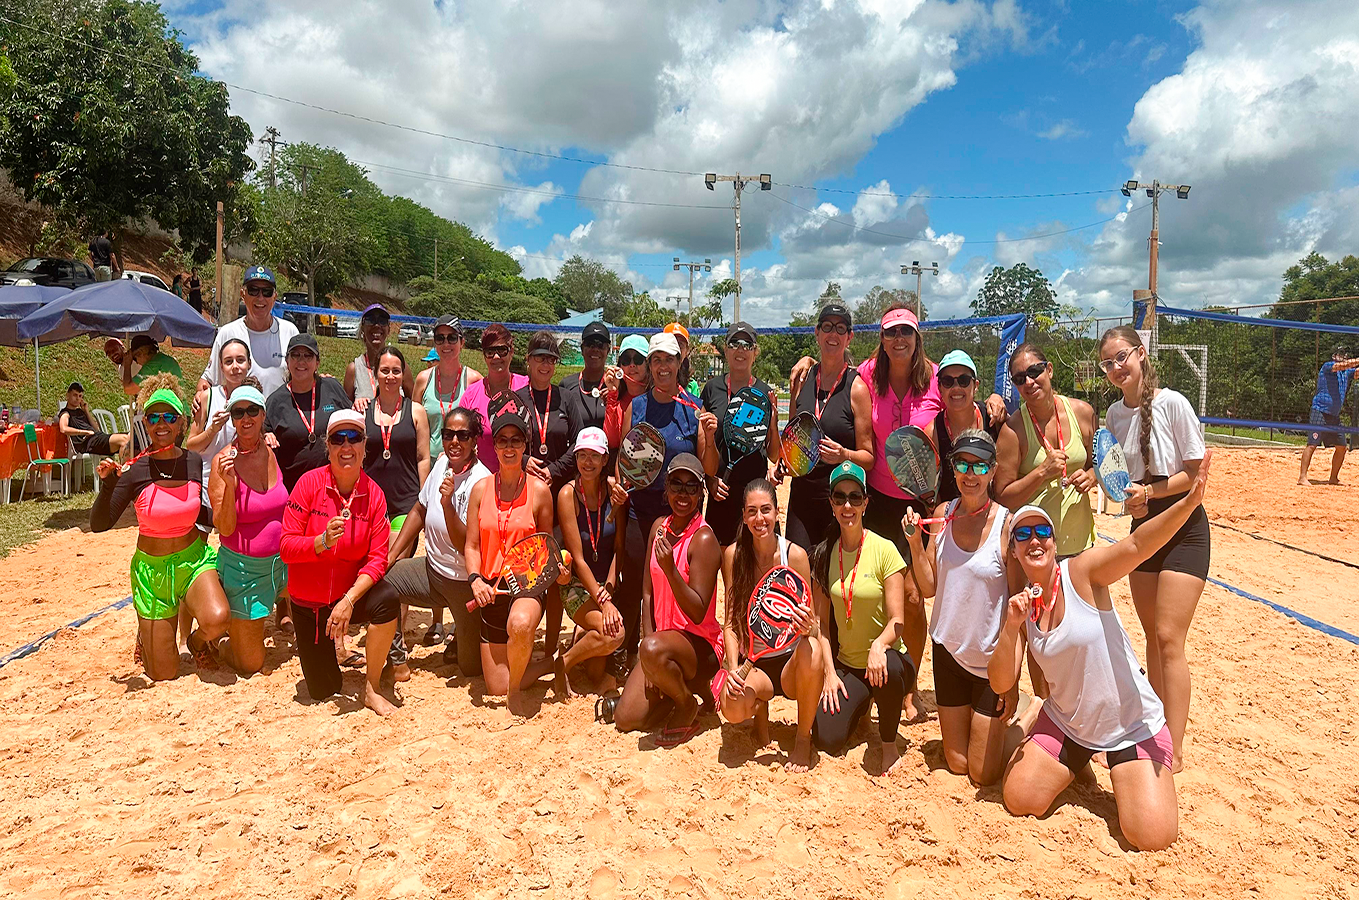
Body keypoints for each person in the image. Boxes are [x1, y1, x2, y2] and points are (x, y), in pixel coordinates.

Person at [989, 453, 1213, 851]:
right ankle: (1053, 731)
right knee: (1020, 800)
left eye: (1041, 530)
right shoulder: (1023, 606)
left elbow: (1138, 544)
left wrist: (1189, 503)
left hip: (1129, 725)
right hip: (1071, 722)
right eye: (1022, 536)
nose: (1034, 540)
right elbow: (1001, 681)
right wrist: (1009, 628)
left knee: (1152, 837)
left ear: (1054, 540)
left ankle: (1120, 762)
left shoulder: (1081, 573)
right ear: (1013, 552)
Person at [1100, 325, 1209, 772]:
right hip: (1144, 532)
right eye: (1108, 363)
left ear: (1141, 355)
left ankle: (1175, 748)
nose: (1115, 368)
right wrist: (1118, 489)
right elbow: (1114, 475)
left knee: (1169, 639)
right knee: (1152, 639)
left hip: (1183, 528)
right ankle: (1157, 727)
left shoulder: (1173, 403)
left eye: (1121, 357)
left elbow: (1196, 475)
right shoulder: (1112, 414)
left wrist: (1148, 491)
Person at [90, 378, 228, 681]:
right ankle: (146, 633)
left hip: (193, 561)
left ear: (180, 423)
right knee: (163, 674)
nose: (161, 423)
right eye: (153, 417)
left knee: (217, 619)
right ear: (145, 423)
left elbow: (200, 512)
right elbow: (99, 525)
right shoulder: (136, 469)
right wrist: (108, 485)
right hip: (152, 573)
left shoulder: (192, 461)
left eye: (169, 417)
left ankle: (195, 641)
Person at [903, 430, 1019, 786]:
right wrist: (913, 541)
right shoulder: (943, 514)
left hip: (990, 663)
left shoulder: (1006, 525)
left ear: (993, 470)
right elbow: (929, 587)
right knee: (956, 763)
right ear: (953, 469)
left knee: (982, 775)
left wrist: (1011, 681)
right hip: (949, 653)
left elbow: (1018, 604)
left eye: (980, 465)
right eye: (963, 464)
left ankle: (1027, 716)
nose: (971, 474)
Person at [278, 410, 401, 716]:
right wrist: (321, 542)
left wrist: (348, 599)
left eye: (354, 438)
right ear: (328, 447)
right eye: (338, 439)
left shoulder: (375, 496)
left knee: (387, 597)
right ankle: (331, 656)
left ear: (364, 446)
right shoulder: (308, 485)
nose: (347, 446)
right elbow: (285, 548)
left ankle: (371, 687)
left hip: (347, 597)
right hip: (312, 605)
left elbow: (377, 561)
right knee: (324, 689)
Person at [613, 332, 716, 668]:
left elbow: (707, 467)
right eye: (655, 360)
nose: (661, 366)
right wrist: (618, 484)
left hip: (682, 514)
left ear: (678, 362)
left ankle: (672, 653)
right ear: (649, 365)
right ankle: (631, 652)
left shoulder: (692, 409)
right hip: (642, 511)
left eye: (668, 359)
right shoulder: (637, 406)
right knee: (635, 584)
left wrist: (710, 437)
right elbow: (625, 457)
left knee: (676, 586)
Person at [809, 461, 914, 776]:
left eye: (855, 497)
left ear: (866, 503)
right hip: (849, 666)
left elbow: (898, 620)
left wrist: (880, 645)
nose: (847, 505)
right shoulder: (825, 554)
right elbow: (821, 626)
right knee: (826, 739)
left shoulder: (885, 550)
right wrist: (829, 673)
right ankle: (862, 703)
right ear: (831, 504)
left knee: (889, 668)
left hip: (888, 661)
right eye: (839, 497)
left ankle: (889, 744)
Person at [613, 454, 722, 746]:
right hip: (662, 644)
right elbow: (646, 593)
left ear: (701, 493)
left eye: (691, 487)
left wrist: (672, 570)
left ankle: (687, 703)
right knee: (626, 719)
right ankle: (683, 689)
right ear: (666, 488)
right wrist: (650, 655)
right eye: (676, 484)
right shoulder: (659, 528)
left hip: (700, 645)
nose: (683, 494)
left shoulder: (703, 539)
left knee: (653, 651)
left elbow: (698, 611)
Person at [717, 479, 823, 772]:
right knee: (732, 705)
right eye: (752, 511)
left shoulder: (796, 556)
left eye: (766, 510)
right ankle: (759, 707)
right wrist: (733, 668)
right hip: (756, 664)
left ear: (778, 513)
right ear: (743, 515)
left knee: (811, 649)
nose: (759, 518)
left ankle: (803, 738)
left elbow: (813, 627)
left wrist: (806, 627)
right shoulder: (734, 556)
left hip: (790, 663)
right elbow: (730, 623)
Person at [375, 406, 492, 673]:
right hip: (431, 573)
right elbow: (419, 508)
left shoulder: (482, 481)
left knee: (471, 669)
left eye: (462, 436)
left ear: (474, 440)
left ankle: (464, 639)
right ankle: (396, 658)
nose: (454, 442)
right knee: (382, 581)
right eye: (448, 434)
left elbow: (466, 546)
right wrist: (393, 555)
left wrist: (448, 503)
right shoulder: (441, 465)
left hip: (464, 585)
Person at [464, 408, 559, 717]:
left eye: (515, 440)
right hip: (489, 586)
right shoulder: (480, 490)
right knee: (494, 686)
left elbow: (545, 547)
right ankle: (548, 662)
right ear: (494, 446)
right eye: (502, 440)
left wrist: (553, 572)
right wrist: (476, 580)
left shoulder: (540, 492)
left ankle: (516, 690)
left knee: (519, 624)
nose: (508, 447)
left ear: (524, 445)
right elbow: (472, 545)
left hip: (526, 585)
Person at [207, 386, 288, 676]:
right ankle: (220, 639)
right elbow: (224, 527)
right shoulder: (222, 462)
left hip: (282, 564)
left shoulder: (271, 449)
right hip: (245, 571)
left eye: (252, 410)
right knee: (250, 664)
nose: (246, 418)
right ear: (231, 419)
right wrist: (229, 486)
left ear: (263, 414)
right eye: (238, 412)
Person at [782, 303, 874, 550]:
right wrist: (782, 465)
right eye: (827, 327)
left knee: (832, 583)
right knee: (798, 574)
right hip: (801, 499)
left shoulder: (857, 388)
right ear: (817, 332)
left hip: (839, 501)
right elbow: (791, 440)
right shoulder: (802, 378)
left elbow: (869, 457)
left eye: (840, 328)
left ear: (849, 337)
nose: (833, 334)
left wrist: (843, 455)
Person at [996, 343, 1098, 557]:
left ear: (1049, 370)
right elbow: (1002, 497)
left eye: (1034, 372)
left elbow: (1097, 465)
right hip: (1035, 551)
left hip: (1080, 544)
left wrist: (1090, 476)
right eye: (1020, 378)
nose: (1029, 382)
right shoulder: (1013, 431)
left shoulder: (1083, 413)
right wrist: (1042, 471)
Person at [555, 428, 626, 695]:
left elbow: (619, 548)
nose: (588, 462)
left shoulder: (614, 492)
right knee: (614, 634)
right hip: (577, 584)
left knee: (596, 671)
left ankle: (578, 641)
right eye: (582, 455)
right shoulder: (567, 495)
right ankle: (563, 664)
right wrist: (604, 602)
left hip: (604, 585)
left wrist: (608, 586)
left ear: (606, 459)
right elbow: (579, 559)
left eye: (594, 456)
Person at [700, 322, 783, 546]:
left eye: (747, 345)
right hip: (721, 493)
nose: (740, 349)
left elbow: (774, 455)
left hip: (755, 494)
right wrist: (710, 481)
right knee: (724, 567)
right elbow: (704, 445)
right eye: (734, 343)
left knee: (757, 565)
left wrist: (773, 425)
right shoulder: (711, 389)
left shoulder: (765, 392)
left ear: (755, 353)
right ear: (725, 350)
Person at [926, 350, 1019, 504]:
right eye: (948, 381)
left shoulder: (994, 417)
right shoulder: (932, 432)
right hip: (954, 520)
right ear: (940, 388)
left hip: (992, 517)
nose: (956, 387)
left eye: (963, 380)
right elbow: (933, 491)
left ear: (975, 386)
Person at [265, 334, 352, 491]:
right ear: (287, 361)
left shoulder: (331, 387)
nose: (301, 361)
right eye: (296, 355)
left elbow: (351, 420)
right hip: (293, 487)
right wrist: (265, 435)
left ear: (317, 363)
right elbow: (263, 431)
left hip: (333, 485)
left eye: (308, 356)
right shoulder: (276, 401)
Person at [199, 266, 298, 398]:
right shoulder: (227, 333)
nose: (260, 298)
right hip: (240, 417)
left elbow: (306, 375)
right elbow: (207, 380)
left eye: (267, 292)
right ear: (242, 294)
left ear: (274, 297)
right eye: (253, 291)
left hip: (279, 417)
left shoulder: (290, 332)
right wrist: (201, 397)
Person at [459, 323, 529, 474]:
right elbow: (460, 438)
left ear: (511, 351)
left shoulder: (527, 387)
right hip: (483, 482)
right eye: (490, 352)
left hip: (523, 480)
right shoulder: (471, 395)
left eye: (502, 350)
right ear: (484, 355)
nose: (496, 357)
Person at [515, 331, 578, 493]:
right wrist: (523, 461)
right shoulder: (516, 399)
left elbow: (578, 442)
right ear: (528, 359)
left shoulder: (566, 398)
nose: (546, 365)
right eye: (540, 358)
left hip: (561, 486)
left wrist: (554, 470)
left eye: (551, 360)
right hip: (525, 485)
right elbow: (504, 441)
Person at [413, 315, 481, 460]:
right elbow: (414, 426)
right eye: (440, 338)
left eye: (452, 338)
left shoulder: (474, 380)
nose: (446, 344)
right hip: (428, 462)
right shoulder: (423, 379)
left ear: (462, 342)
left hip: (462, 462)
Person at [187, 338, 250, 485]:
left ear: (249, 364)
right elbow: (191, 446)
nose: (235, 366)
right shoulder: (207, 397)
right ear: (221, 367)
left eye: (240, 360)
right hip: (209, 485)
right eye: (229, 361)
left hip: (245, 487)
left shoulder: (256, 400)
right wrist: (212, 430)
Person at [1299, 344, 1359, 485]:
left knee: (1342, 447)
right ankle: (1302, 477)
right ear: (1334, 356)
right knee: (1312, 445)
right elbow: (1342, 366)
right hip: (1319, 411)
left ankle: (1333, 478)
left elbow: (1356, 372)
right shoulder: (1328, 366)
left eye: (1345, 354)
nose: (1344, 356)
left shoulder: (1347, 372)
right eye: (1341, 354)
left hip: (1334, 416)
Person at [345, 304, 414, 408]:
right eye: (370, 320)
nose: (376, 325)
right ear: (363, 328)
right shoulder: (354, 369)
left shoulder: (401, 367)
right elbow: (346, 411)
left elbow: (414, 405)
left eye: (382, 321)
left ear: (388, 329)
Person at [560, 321, 611, 435]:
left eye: (600, 345)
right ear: (582, 349)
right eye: (590, 344)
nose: (595, 349)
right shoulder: (566, 385)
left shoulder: (616, 386)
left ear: (608, 350)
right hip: (576, 452)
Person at [601, 333, 650, 448]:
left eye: (638, 359)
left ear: (648, 364)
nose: (632, 365)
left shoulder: (657, 398)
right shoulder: (617, 401)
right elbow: (611, 441)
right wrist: (612, 393)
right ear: (620, 366)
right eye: (626, 360)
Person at [57, 381, 129, 457]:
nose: (77, 398)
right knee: (124, 439)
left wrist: (86, 411)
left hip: (97, 437)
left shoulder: (80, 412)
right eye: (75, 395)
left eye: (80, 396)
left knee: (130, 438)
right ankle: (124, 468)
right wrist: (85, 432)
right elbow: (63, 429)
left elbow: (96, 428)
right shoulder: (65, 413)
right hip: (88, 443)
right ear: (67, 395)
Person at [665, 322, 703, 396]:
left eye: (680, 344)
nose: (676, 348)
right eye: (672, 343)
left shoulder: (692, 386)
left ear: (687, 350)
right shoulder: (652, 380)